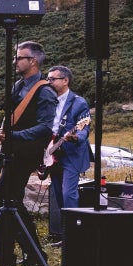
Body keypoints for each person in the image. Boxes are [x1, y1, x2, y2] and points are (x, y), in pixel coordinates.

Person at [0, 41, 57, 266]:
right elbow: (12, 116)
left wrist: (17, 136)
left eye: (20, 58)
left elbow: (46, 127)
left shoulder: (45, 91)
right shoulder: (19, 85)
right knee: (12, 202)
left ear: (33, 61)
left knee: (3, 200)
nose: (15, 61)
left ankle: (6, 257)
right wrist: (2, 136)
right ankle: (31, 253)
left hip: (26, 153)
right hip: (13, 150)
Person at [45, 66, 91, 211]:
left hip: (71, 154)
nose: (48, 82)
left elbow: (84, 128)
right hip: (53, 152)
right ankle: (65, 230)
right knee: (58, 195)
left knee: (68, 195)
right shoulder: (48, 101)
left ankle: (74, 232)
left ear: (65, 80)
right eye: (48, 79)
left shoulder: (79, 103)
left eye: (52, 79)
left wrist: (75, 137)